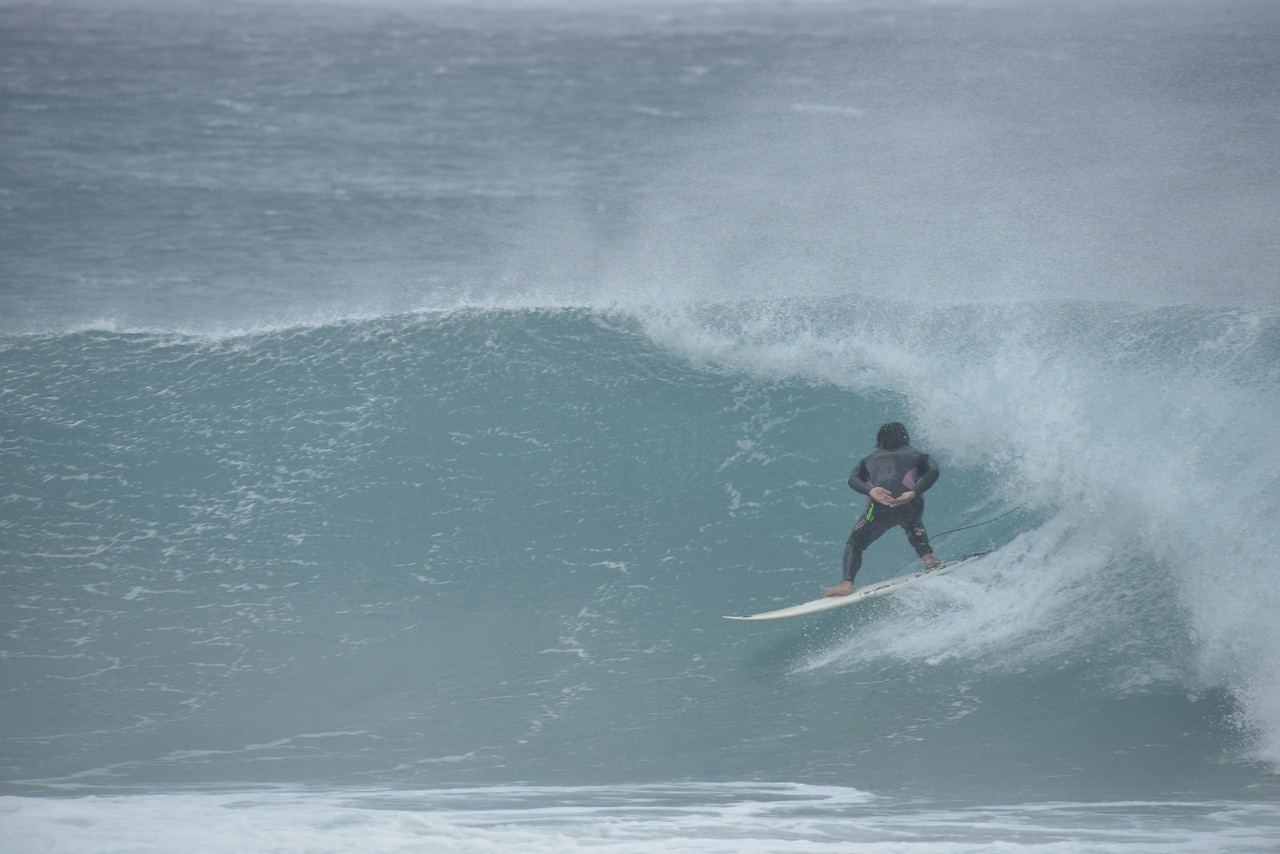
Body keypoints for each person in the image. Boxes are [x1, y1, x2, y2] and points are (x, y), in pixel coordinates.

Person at [826, 422, 941, 597]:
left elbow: (852, 479)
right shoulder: (917, 455)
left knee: (855, 544)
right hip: (911, 506)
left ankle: (846, 583)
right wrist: (914, 493)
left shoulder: (867, 460)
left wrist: (870, 490)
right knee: (913, 523)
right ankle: (928, 558)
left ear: (880, 441)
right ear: (905, 438)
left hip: (879, 508)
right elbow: (934, 471)